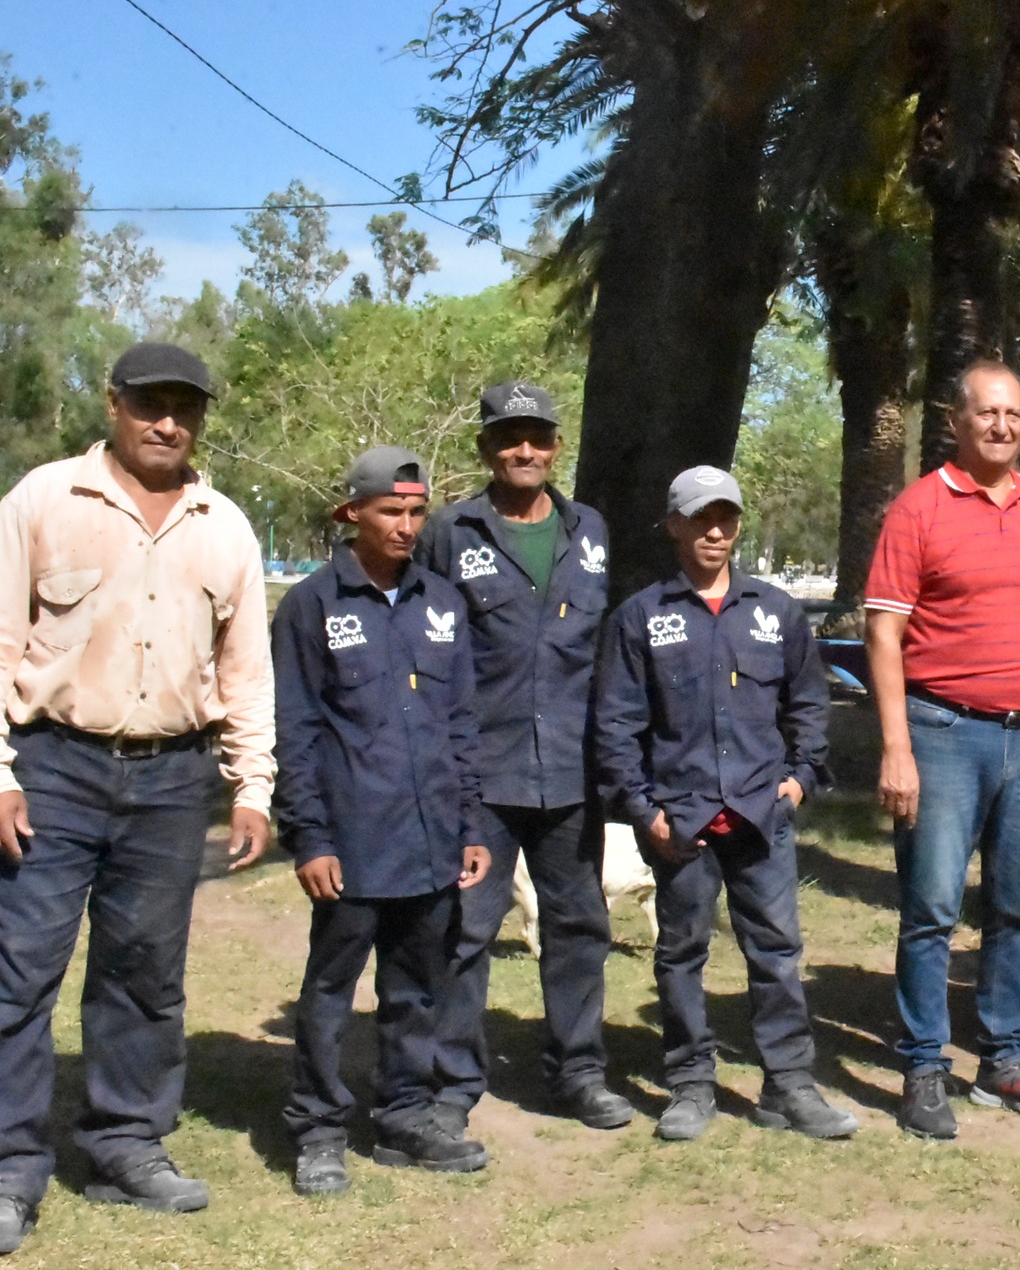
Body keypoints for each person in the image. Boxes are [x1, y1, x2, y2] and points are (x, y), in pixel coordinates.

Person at [0, 344, 273, 1253]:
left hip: (171, 780)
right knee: (18, 971)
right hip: (52, 769)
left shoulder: (224, 526)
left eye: (185, 408)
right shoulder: (42, 501)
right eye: (151, 404)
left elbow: (246, 672)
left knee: (146, 975)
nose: (169, 423)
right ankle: (9, 1167)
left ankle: (126, 1144)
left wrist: (252, 785)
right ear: (114, 404)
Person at [864, 359, 1020, 1139]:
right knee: (930, 907)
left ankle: (1002, 1061)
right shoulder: (920, 508)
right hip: (941, 733)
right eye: (987, 413)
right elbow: (884, 632)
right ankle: (924, 1065)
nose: (1002, 425)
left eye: (1013, 414)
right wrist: (895, 746)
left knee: (1012, 907)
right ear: (957, 420)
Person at [593, 467, 854, 1141]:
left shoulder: (776, 612)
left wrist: (798, 779)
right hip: (680, 822)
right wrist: (645, 810)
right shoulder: (641, 618)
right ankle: (689, 1083)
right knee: (681, 952)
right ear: (675, 524)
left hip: (760, 815)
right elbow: (615, 727)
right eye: (702, 518)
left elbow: (809, 703)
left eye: (728, 518)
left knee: (775, 952)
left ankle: (789, 1084)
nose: (716, 530)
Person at [273, 447, 494, 1197]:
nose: (404, 526)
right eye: (389, 511)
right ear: (353, 514)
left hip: (432, 836)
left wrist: (470, 822)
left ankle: (403, 1114)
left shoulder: (443, 601)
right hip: (352, 840)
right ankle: (318, 1127)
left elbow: (462, 722)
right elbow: (294, 729)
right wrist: (310, 835)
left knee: (417, 988)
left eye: (414, 512)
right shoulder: (313, 605)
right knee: (331, 989)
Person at [418, 382, 631, 1136]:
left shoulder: (590, 529)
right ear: (486, 447)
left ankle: (577, 1071)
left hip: (572, 769)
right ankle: (451, 1083)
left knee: (578, 925)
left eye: (538, 435)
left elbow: (609, 648)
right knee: (465, 930)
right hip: (479, 769)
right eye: (510, 436)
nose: (525, 449)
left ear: (555, 445)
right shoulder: (450, 531)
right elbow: (426, 645)